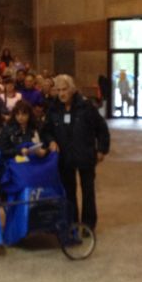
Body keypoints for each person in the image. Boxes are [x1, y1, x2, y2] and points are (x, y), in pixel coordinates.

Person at [43, 74, 109, 230]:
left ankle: (88, 225)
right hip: (65, 158)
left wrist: (101, 149)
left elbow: (102, 128)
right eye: (58, 90)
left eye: (64, 89)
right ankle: (72, 223)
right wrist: (51, 141)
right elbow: (46, 130)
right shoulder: (54, 108)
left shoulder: (86, 106)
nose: (61, 94)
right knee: (69, 192)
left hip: (85, 155)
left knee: (88, 192)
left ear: (72, 89)